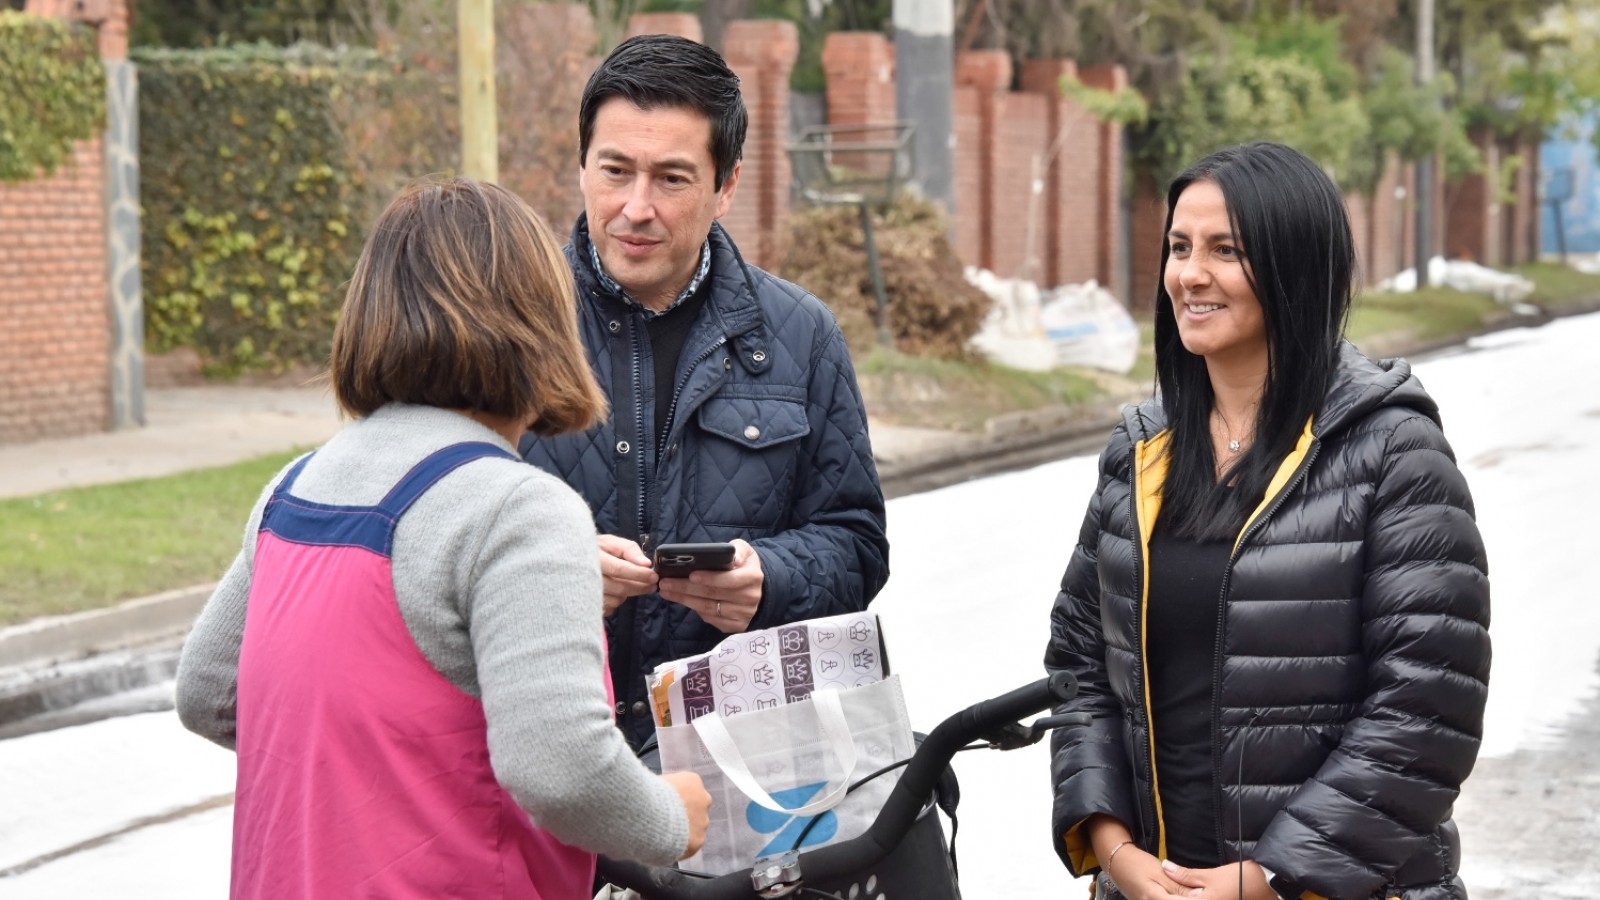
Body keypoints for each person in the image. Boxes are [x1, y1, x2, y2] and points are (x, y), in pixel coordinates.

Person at [175, 176, 711, 899]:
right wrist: (670, 817)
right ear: (541, 322)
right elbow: (561, 768)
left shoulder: (294, 488)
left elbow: (209, 692)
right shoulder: (518, 511)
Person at [1044, 142, 1490, 900]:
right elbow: (1081, 668)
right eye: (1180, 247)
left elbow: (1426, 707)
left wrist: (1270, 877)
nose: (1190, 274)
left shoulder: (1393, 452)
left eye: (1226, 250)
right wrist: (1114, 850)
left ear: (1294, 268)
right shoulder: (1142, 451)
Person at [521, 34, 890, 748]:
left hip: (732, 763)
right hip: (547, 752)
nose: (635, 207)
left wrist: (772, 580)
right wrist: (547, 576)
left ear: (727, 187)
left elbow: (858, 544)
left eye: (672, 179)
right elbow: (432, 541)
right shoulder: (510, 322)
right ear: (581, 169)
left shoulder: (801, 335)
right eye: (615, 171)